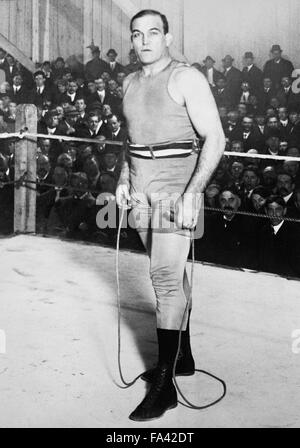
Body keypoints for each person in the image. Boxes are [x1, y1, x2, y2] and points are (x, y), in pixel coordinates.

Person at [116, 9, 225, 422]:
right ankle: (182, 357)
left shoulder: (186, 78)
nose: (144, 40)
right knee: (172, 275)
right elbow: (131, 139)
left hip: (176, 187)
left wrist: (192, 193)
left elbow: (214, 137)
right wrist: (124, 179)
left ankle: (164, 387)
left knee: (163, 280)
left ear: (168, 37)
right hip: (141, 186)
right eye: (137, 33)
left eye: (153, 33)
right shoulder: (128, 81)